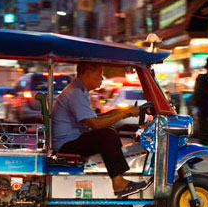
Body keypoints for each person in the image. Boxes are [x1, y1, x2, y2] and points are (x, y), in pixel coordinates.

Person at [52, 62, 148, 198]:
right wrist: (123, 114)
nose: (102, 78)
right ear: (88, 73)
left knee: (110, 130)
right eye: (99, 75)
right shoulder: (75, 93)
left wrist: (123, 111)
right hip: (66, 144)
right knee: (106, 135)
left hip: (73, 138)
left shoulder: (79, 91)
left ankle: (119, 176)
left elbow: (94, 118)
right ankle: (118, 182)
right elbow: (95, 124)